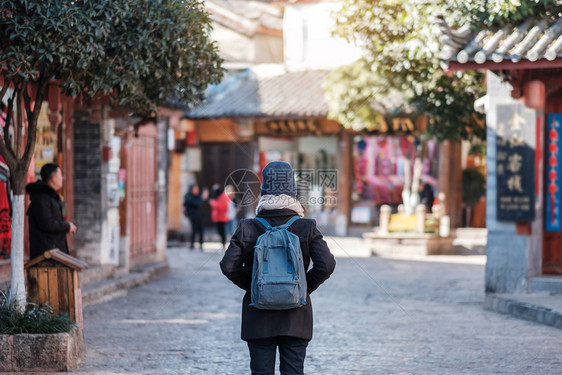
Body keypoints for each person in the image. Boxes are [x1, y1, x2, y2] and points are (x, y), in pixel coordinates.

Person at [220, 161, 336, 375]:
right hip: (296, 315)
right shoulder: (306, 226)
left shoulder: (248, 227)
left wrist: (255, 285)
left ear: (263, 190)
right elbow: (327, 264)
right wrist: (302, 287)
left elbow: (228, 265)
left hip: (258, 315)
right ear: (292, 190)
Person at [26, 163, 77, 260]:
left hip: (53, 252)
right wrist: (67, 226)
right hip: (46, 254)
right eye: (60, 175)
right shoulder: (42, 198)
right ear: (53, 178)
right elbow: (46, 223)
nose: (62, 178)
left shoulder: (49, 197)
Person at [183, 184, 207, 250]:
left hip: (200, 216)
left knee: (201, 230)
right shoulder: (188, 196)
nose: (197, 190)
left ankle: (201, 244)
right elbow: (196, 203)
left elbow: (200, 204)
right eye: (195, 188)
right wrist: (203, 198)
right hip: (193, 216)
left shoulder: (198, 196)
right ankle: (192, 244)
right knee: (194, 230)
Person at [209, 185, 229, 249]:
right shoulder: (220, 196)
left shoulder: (223, 197)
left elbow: (220, 207)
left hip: (222, 218)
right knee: (220, 231)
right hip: (219, 217)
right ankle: (222, 243)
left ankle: (223, 244)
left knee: (222, 231)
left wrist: (212, 202)